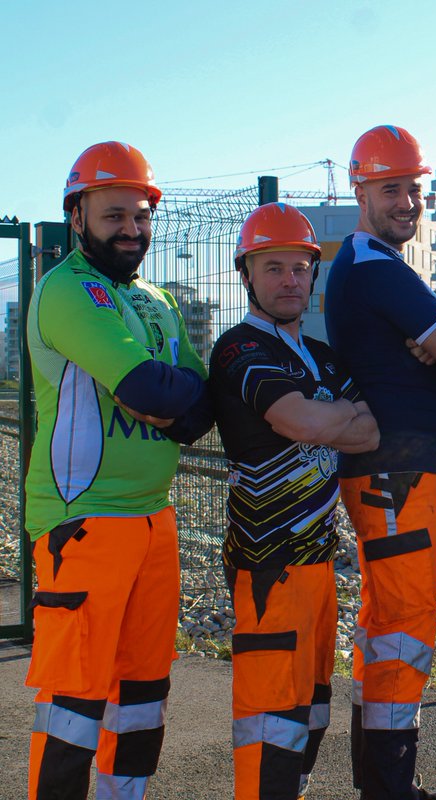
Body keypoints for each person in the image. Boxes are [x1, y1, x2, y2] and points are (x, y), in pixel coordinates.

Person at [24, 141, 211, 799]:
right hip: (84, 521)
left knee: (142, 692)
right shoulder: (67, 289)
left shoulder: (154, 299)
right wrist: (164, 395)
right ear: (77, 216)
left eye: (140, 215)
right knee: (74, 699)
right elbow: (151, 389)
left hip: (153, 519)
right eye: (114, 216)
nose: (131, 229)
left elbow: (199, 405)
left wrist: (171, 399)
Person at [324, 125, 436, 800]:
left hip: (393, 473)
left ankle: (384, 784)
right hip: (397, 476)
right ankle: (390, 790)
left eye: (414, 189)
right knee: (403, 627)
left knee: (386, 624)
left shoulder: (375, 266)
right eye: (391, 189)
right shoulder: (378, 269)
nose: (407, 202)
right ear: (359, 191)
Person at [209, 203, 379, 799]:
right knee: (270, 717)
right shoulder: (237, 349)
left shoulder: (323, 355)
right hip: (267, 565)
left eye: (299, 268)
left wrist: (321, 419)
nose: (289, 280)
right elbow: (300, 420)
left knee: (310, 709)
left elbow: (370, 433)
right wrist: (333, 416)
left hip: (317, 565)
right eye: (272, 267)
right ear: (246, 274)